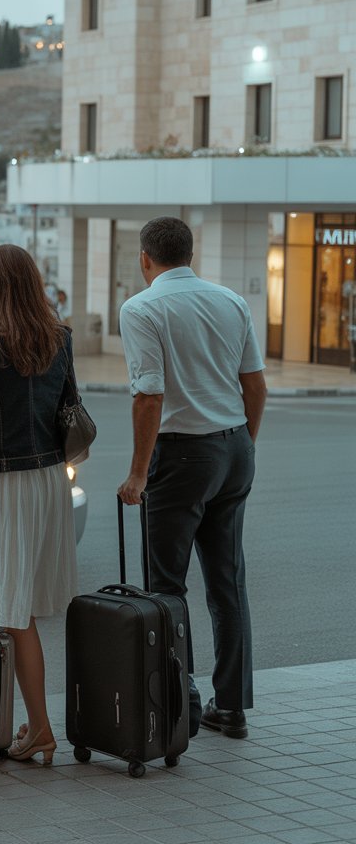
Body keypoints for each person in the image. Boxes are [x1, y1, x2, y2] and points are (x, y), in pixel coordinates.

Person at [117, 216, 267, 740]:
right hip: (233, 447)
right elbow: (255, 384)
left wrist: (138, 473)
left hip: (182, 458)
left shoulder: (142, 308)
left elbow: (149, 396)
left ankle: (181, 702)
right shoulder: (230, 301)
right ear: (189, 252)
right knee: (228, 583)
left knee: (166, 585)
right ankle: (231, 706)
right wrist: (242, 441)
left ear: (145, 258)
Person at [0, 244, 78, 765]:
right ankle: (29, 722)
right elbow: (71, 411)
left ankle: (41, 728)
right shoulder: (60, 339)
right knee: (19, 610)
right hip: (49, 478)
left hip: (2, 483)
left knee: (13, 610)